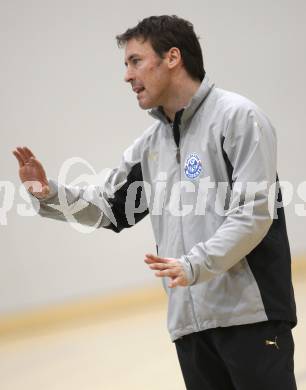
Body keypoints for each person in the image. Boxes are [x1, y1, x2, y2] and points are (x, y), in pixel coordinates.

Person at [13, 15, 297, 390]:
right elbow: (109, 208)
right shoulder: (150, 147)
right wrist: (48, 193)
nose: (127, 76)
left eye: (135, 61)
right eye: (126, 65)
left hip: (251, 317)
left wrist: (195, 265)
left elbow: (253, 215)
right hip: (190, 326)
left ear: (172, 57)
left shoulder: (238, 117)